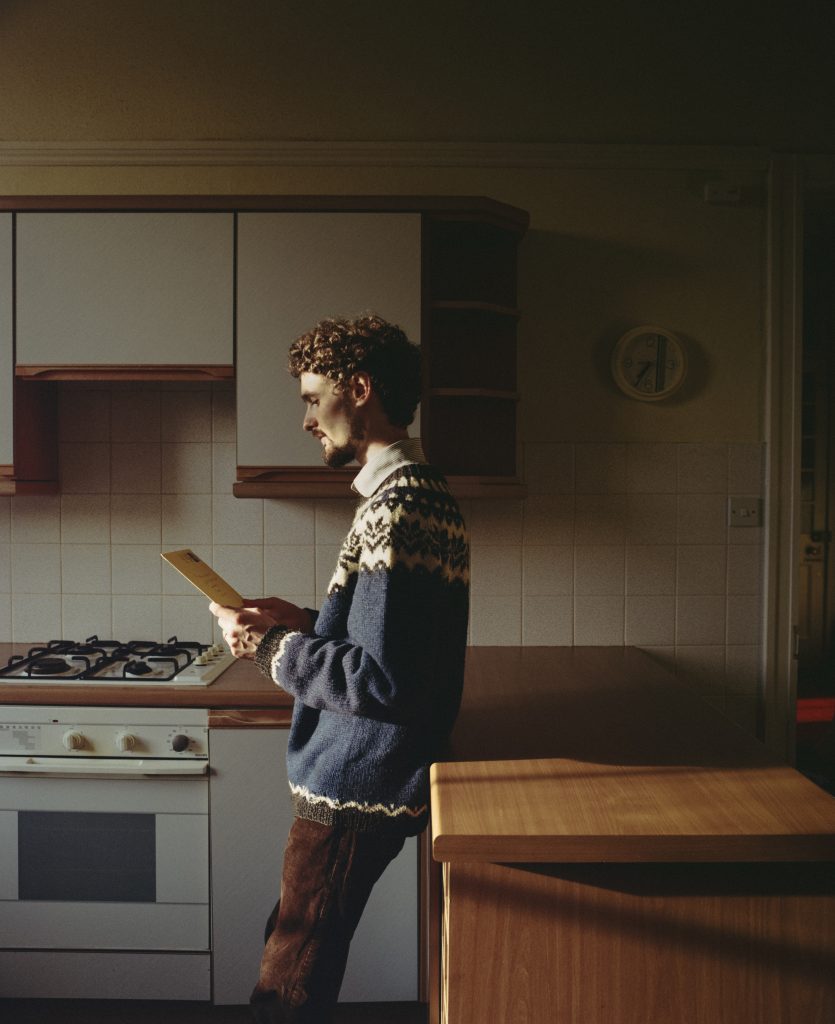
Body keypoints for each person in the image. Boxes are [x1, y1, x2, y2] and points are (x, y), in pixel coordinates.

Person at [210, 313, 469, 1023]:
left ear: (358, 389)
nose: (305, 420)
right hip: (367, 773)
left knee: (291, 973)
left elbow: (382, 680)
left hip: (357, 778)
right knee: (295, 944)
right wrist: (302, 620)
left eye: (311, 398)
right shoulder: (414, 493)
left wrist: (265, 647)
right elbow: (391, 643)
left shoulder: (397, 506)